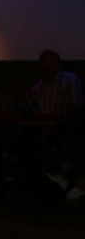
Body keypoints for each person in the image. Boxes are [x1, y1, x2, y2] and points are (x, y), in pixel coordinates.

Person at [29, 50, 85, 200]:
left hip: (67, 125)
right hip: (41, 125)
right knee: (26, 136)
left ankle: (68, 179)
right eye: (44, 61)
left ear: (59, 63)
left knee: (69, 134)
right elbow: (34, 109)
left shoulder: (70, 80)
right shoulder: (37, 87)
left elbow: (76, 106)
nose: (48, 65)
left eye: (51, 61)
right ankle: (37, 180)